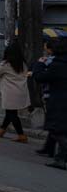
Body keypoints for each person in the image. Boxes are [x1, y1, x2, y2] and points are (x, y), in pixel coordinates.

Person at [30, 39, 67, 170]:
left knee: (57, 130)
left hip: (59, 101)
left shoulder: (57, 65)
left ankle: (61, 158)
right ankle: (55, 153)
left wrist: (39, 65)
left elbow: (40, 77)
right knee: (59, 129)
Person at [0, 42, 30, 142]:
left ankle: (21, 135)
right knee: (10, 112)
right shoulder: (23, 63)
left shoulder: (5, 64)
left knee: (12, 114)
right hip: (21, 91)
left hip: (10, 92)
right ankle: (2, 129)